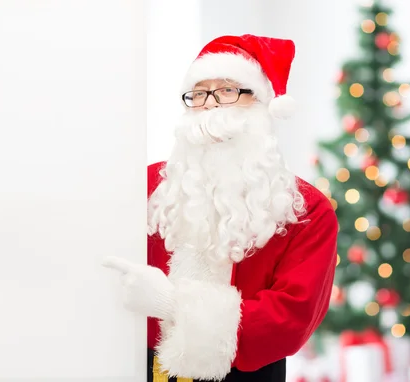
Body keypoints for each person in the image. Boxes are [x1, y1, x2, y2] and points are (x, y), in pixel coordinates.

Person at [103, 34, 338, 382]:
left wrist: (172, 305)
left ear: (260, 104)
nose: (210, 104)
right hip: (138, 368)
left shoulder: (306, 210)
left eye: (228, 90)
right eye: (198, 93)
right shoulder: (146, 187)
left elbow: (291, 319)